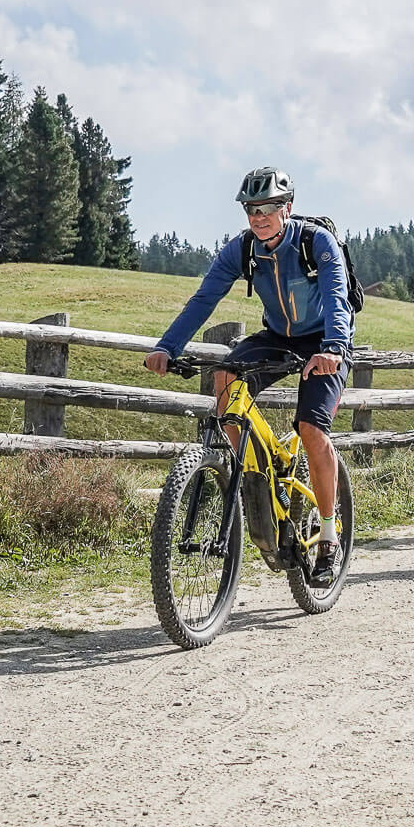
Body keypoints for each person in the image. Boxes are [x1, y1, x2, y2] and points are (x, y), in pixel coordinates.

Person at [144, 166, 353, 585]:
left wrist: (333, 348)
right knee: (225, 377)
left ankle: (329, 536)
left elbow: (335, 296)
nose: (258, 217)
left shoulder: (317, 242)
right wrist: (168, 346)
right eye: (251, 209)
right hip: (277, 336)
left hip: (324, 342)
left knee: (312, 430)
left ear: (287, 208)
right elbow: (205, 298)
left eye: (268, 209)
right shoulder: (241, 250)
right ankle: (249, 479)